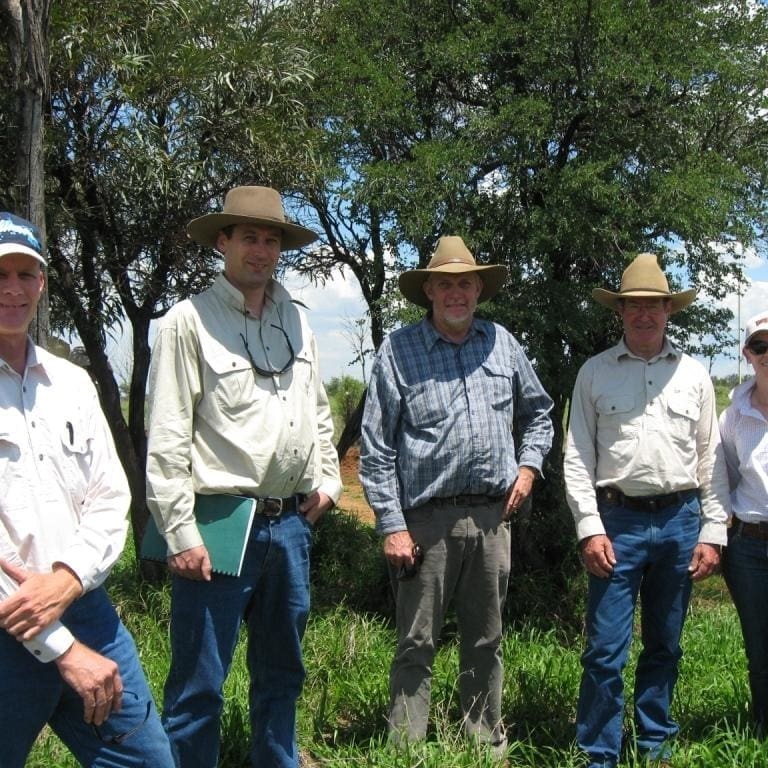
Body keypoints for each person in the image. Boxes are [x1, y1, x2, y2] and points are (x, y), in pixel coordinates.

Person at [145, 186, 342, 768]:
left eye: (272, 238)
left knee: (283, 673)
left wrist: (328, 483)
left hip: (290, 527)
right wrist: (180, 533)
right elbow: (167, 435)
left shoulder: (297, 323)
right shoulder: (188, 322)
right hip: (219, 528)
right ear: (223, 242)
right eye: (249, 237)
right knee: (199, 685)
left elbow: (319, 411)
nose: (261, 250)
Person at [359, 236, 554, 758]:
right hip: (424, 523)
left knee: (486, 640)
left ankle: (482, 744)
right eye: (444, 283)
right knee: (417, 642)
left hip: (493, 518)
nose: (455, 293)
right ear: (428, 290)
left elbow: (539, 413)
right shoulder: (398, 351)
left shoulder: (502, 343)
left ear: (478, 290)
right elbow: (374, 448)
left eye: (465, 283)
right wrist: (391, 525)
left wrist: (529, 467)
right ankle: (405, 749)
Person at [0, 212, 173, 767]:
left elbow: (110, 497)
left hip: (88, 612)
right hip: (8, 631)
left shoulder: (72, 382)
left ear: (43, 282)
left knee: (148, 761)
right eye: (0, 274)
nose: (12, 289)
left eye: (25, 274)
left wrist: (69, 578)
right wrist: (59, 644)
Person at [563, 253, 730, 768]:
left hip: (680, 522)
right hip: (617, 523)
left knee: (665, 644)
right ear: (620, 312)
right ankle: (599, 752)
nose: (643, 315)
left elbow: (710, 460)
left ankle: (655, 743)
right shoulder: (594, 373)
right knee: (605, 649)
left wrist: (712, 530)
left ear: (668, 311)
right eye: (633, 305)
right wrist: (589, 528)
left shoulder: (695, 375)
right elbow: (575, 456)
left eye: (653, 306)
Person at [719, 309, 768, 738]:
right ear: (747, 354)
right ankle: (763, 730)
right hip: (750, 545)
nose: (767, 353)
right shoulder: (733, 416)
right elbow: (726, 477)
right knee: (760, 646)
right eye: (760, 345)